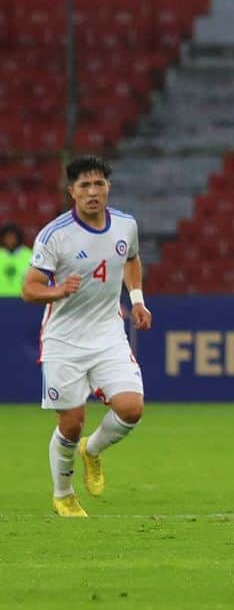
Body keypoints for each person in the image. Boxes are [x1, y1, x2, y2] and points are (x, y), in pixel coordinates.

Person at [21, 156, 152, 517]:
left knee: (131, 409)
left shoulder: (125, 225)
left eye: (99, 185)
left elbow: (132, 259)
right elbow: (29, 289)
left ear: (108, 187)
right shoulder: (55, 234)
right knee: (71, 423)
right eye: (84, 186)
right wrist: (58, 290)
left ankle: (91, 451)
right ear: (72, 192)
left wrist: (137, 300)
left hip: (108, 333)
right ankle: (63, 493)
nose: (93, 192)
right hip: (64, 340)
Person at [1, 222, 33, 297]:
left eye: (12, 237)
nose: (10, 240)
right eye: (7, 237)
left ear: (18, 237)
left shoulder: (30, 255)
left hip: (22, 300)